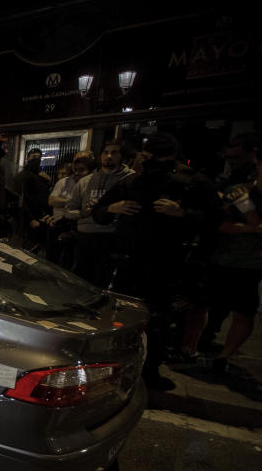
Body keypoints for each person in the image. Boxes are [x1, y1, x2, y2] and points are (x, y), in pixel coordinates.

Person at [92, 132, 216, 391]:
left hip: (168, 262)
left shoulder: (191, 182)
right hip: (129, 261)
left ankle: (149, 371)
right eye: (147, 158)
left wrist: (182, 213)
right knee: (123, 318)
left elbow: (213, 220)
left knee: (158, 321)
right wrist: (113, 209)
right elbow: (99, 212)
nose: (149, 164)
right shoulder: (132, 183)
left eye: (155, 159)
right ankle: (117, 368)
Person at [178, 134, 261, 374]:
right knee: (201, 303)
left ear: (252, 154)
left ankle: (223, 357)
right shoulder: (229, 182)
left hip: (247, 260)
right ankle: (190, 349)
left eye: (236, 156)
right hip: (217, 255)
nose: (230, 160)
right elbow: (218, 221)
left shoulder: (248, 185)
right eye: (227, 156)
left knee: (243, 310)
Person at [66, 141, 134, 287]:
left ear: (122, 156)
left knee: (103, 282)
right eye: (105, 152)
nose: (108, 156)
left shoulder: (129, 180)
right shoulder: (85, 182)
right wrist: (84, 213)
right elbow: (68, 211)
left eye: (114, 152)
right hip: (85, 236)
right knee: (80, 281)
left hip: (111, 237)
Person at [45, 151, 93, 267]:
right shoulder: (64, 182)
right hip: (58, 225)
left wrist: (66, 204)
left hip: (79, 230)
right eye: (75, 167)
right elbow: (52, 201)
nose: (76, 173)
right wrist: (72, 203)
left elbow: (85, 210)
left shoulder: (93, 184)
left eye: (81, 169)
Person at [13, 147, 52, 251]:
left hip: (40, 217)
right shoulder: (24, 176)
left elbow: (43, 196)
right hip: (27, 220)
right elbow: (22, 199)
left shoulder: (41, 176)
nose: (37, 159)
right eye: (34, 157)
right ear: (27, 158)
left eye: (39, 157)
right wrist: (31, 219)